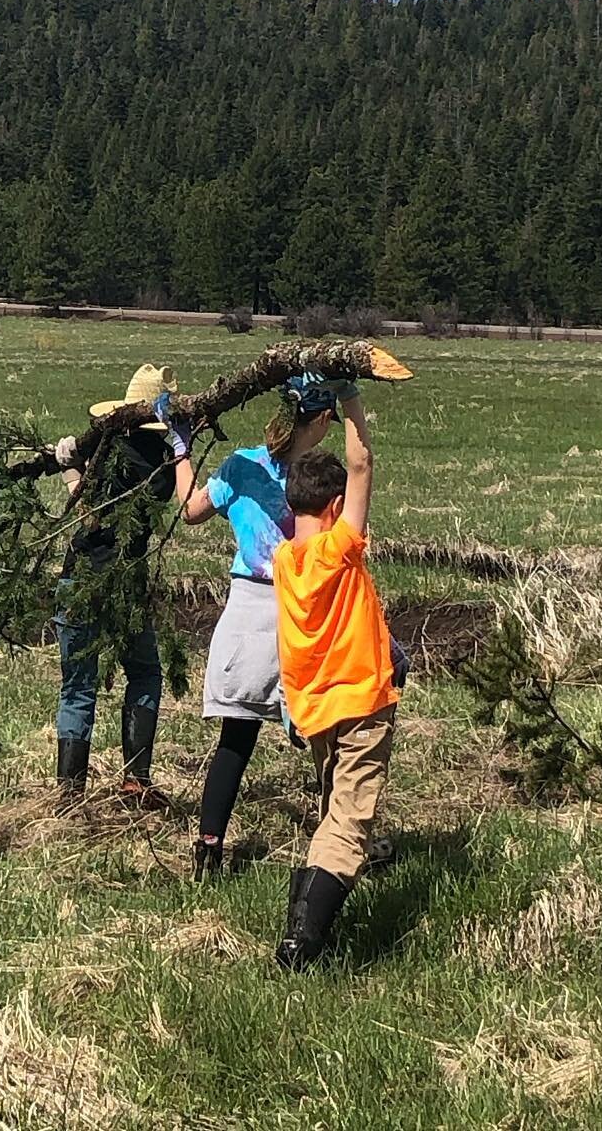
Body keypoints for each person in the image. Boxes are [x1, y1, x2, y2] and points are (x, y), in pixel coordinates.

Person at [168, 373, 358, 879]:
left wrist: (180, 450)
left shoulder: (241, 466)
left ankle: (209, 847)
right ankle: (341, 845)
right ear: (320, 421)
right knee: (332, 734)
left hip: (249, 613)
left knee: (237, 736)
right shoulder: (319, 477)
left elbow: (190, 511)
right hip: (308, 613)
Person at [272, 393, 399, 968]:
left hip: (312, 706)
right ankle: (302, 943)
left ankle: (315, 914)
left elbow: (306, 477)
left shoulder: (283, 559)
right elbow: (361, 465)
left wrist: (303, 423)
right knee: (348, 820)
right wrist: (351, 397)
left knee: (332, 807)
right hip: (361, 698)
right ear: (336, 506)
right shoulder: (338, 550)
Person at [52, 363, 178, 810]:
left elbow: (89, 512)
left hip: (81, 576)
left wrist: (69, 468)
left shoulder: (107, 452)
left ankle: (69, 794)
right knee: (143, 673)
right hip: (128, 581)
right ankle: (136, 781)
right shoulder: (165, 464)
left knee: (78, 685)